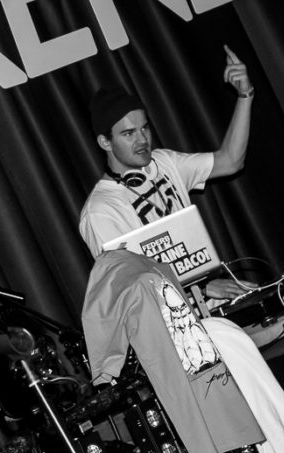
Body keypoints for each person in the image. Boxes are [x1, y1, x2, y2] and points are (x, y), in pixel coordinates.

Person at [79, 45, 256, 299]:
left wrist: (245, 95)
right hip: (173, 318)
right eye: (128, 134)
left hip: (211, 304)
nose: (142, 140)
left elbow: (230, 161)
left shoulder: (163, 162)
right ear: (105, 142)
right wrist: (200, 290)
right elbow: (130, 289)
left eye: (145, 128)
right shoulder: (101, 210)